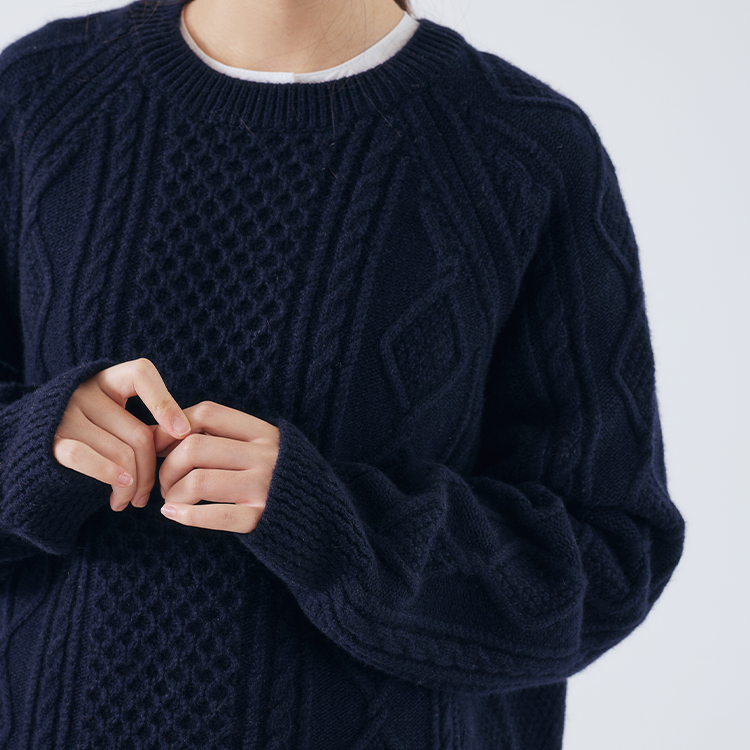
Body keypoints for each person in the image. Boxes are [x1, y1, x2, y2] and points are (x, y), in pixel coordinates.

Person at [0, 0, 685, 747]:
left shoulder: (525, 149)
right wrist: (30, 448)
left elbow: (608, 562)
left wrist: (333, 526)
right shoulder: (40, 92)